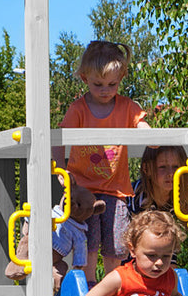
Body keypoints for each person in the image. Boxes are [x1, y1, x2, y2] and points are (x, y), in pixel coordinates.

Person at [56, 40, 151, 279]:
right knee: (87, 240)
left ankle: (114, 284)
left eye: (112, 84)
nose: (105, 90)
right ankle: (88, 282)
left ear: (121, 78)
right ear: (84, 78)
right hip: (82, 190)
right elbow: (58, 139)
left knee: (115, 243)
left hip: (115, 189)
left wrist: (147, 131)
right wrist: (59, 171)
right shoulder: (78, 109)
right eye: (98, 84)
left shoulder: (127, 107)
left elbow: (140, 123)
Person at [129, 144, 188, 216]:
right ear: (146, 169)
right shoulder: (136, 197)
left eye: (176, 167)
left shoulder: (187, 192)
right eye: (163, 167)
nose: (171, 173)